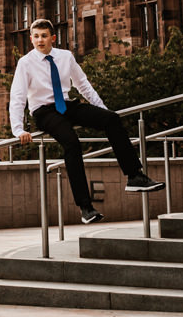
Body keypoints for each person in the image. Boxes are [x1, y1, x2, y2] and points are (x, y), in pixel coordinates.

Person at [10, 18, 164, 224]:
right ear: (31, 39)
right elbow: (18, 97)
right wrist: (18, 129)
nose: (40, 40)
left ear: (53, 38)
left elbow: (83, 85)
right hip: (44, 111)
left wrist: (102, 111)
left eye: (44, 36)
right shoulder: (25, 63)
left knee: (112, 119)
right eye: (36, 36)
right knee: (71, 143)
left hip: (66, 104)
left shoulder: (65, 57)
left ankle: (135, 176)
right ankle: (85, 207)